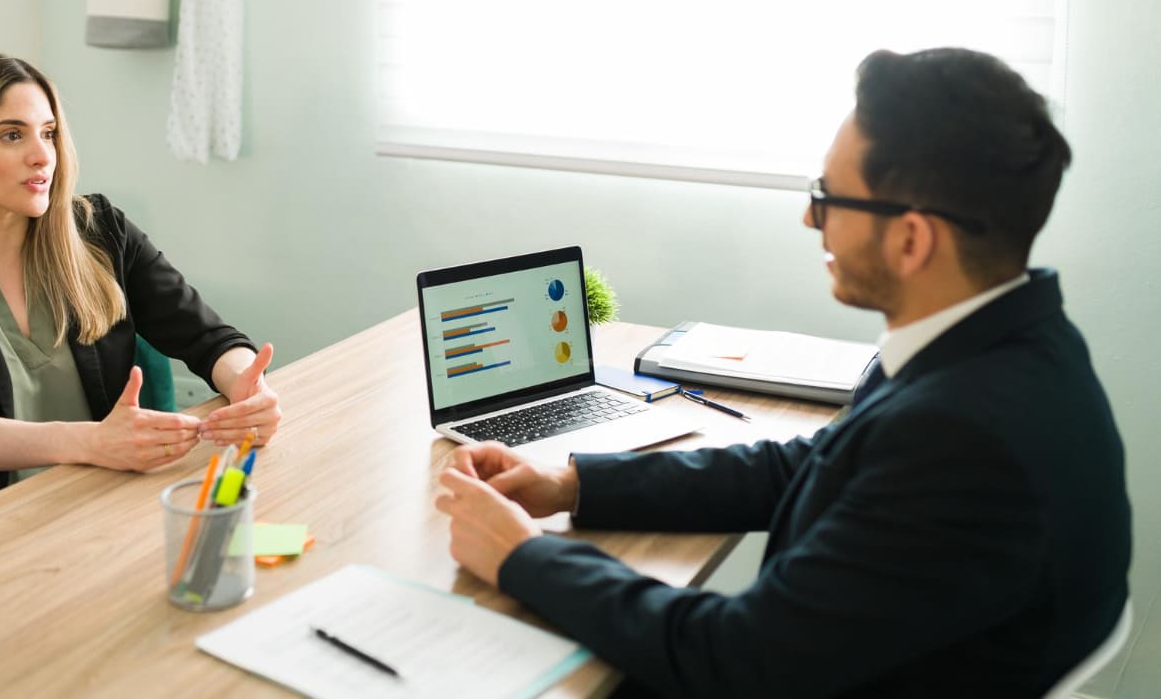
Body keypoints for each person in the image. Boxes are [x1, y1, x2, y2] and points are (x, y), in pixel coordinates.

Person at [436, 48, 1131, 697]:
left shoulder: (962, 433)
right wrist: (571, 484)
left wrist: (521, 554)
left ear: (912, 238)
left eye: (828, 196)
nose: (809, 216)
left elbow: (734, 658)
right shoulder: (1006, 344)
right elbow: (805, 465)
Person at [0, 53, 280, 542]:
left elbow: (206, 335)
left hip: (93, 511)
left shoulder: (100, 230)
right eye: (13, 135)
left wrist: (246, 386)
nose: (42, 155)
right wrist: (94, 442)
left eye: (48, 133)